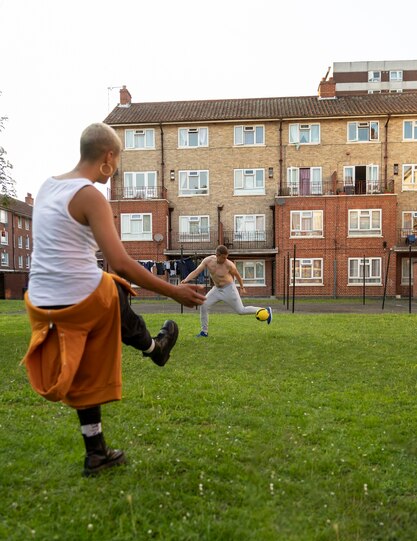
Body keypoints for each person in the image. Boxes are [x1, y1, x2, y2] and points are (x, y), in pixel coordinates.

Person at [22, 122, 206, 477]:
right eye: (117, 161)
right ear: (108, 158)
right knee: (113, 286)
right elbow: (120, 259)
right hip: (78, 297)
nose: (116, 169)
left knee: (107, 298)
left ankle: (97, 453)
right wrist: (175, 291)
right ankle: (155, 348)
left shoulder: (47, 187)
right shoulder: (91, 195)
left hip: (41, 303)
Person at [181, 245, 272, 337]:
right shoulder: (208, 261)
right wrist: (186, 280)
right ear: (217, 255)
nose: (225, 259)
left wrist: (242, 287)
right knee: (204, 305)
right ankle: (204, 332)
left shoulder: (229, 264)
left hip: (229, 289)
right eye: (223, 257)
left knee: (241, 310)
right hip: (216, 289)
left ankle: (265, 310)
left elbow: (237, 275)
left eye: (226, 257)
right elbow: (196, 271)